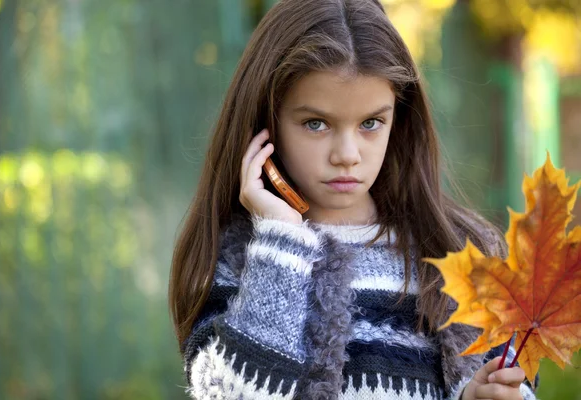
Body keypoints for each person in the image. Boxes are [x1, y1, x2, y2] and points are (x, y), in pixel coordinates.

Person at [169, 0, 539, 398]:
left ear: (399, 118)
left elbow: (517, 383)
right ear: (265, 121)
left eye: (370, 123)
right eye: (316, 123)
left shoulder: (461, 253)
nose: (347, 154)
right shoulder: (237, 258)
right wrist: (279, 243)